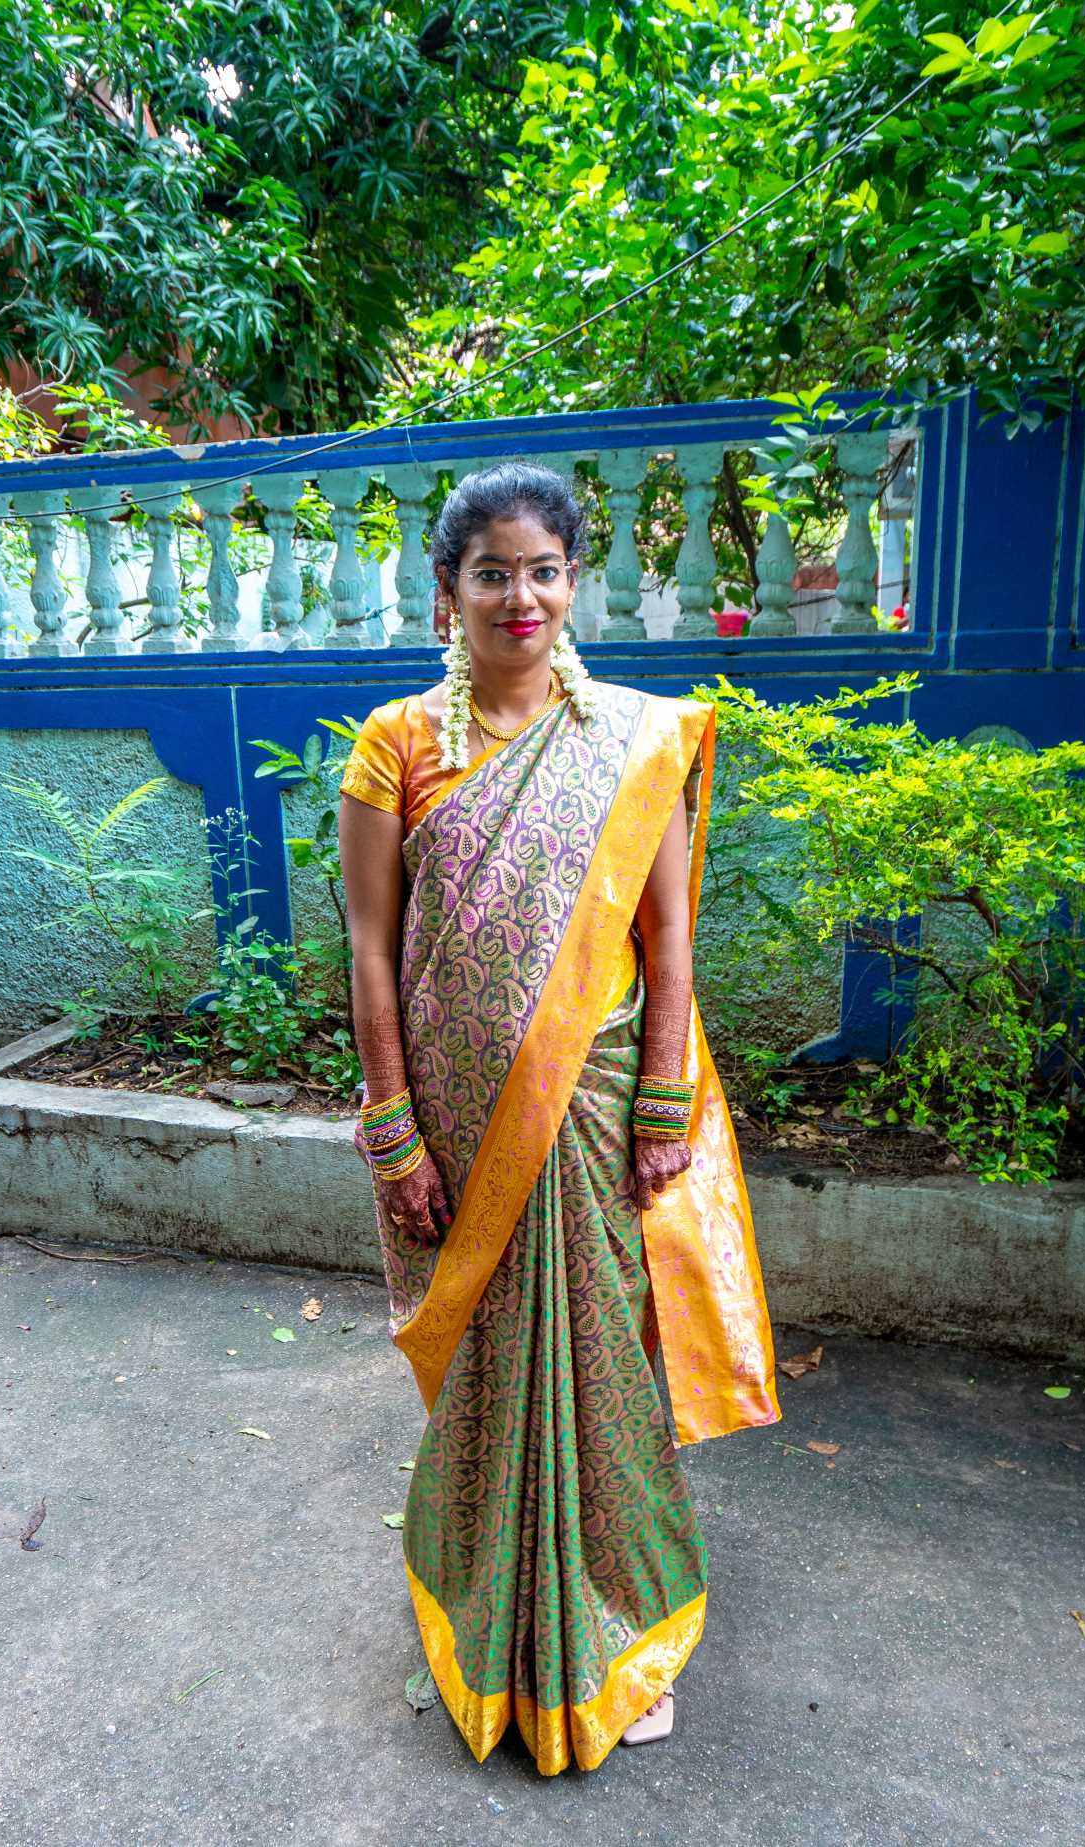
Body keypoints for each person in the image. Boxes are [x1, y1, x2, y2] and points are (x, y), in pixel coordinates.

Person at [337, 460, 780, 1777]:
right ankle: (489, 1608)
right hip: (458, 1120)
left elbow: (668, 938)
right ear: (449, 590)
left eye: (543, 571)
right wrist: (391, 1127)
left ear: (573, 583)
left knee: (603, 1362)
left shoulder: (637, 740)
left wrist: (664, 1099)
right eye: (493, 573)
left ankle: (620, 1626)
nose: (519, 597)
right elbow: (370, 953)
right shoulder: (398, 746)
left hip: (593, 1110)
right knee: (489, 1363)